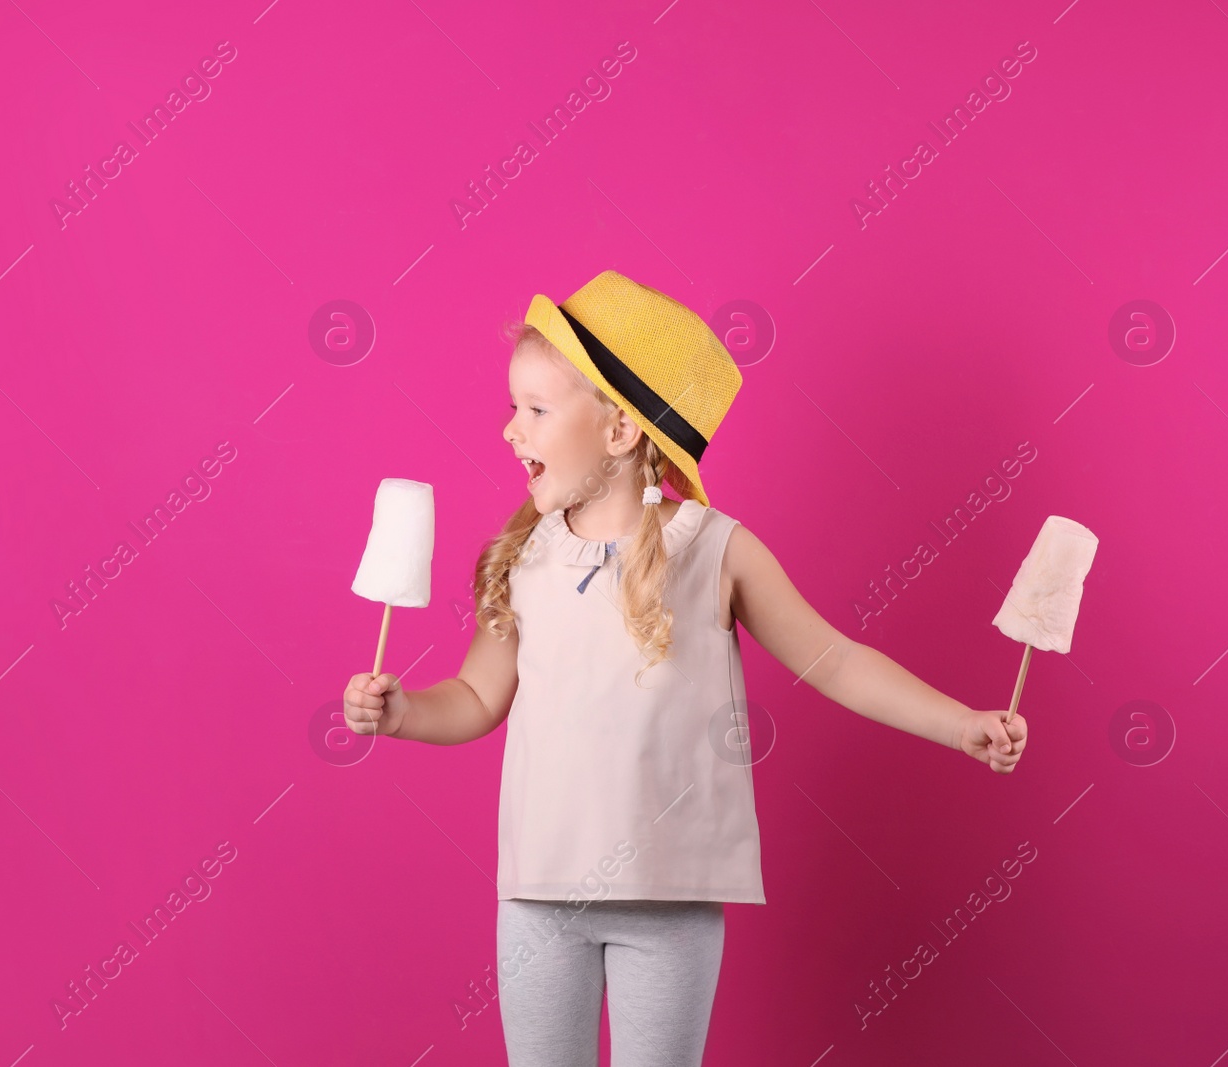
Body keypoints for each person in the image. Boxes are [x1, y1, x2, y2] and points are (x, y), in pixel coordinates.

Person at [340, 270, 1028, 1066]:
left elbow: (834, 660)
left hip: (668, 902)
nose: (510, 430)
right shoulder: (524, 555)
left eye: (535, 409)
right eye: (512, 408)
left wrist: (962, 722)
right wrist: (401, 713)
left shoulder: (713, 547)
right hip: (538, 898)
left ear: (620, 430)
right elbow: (473, 696)